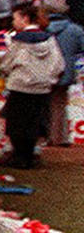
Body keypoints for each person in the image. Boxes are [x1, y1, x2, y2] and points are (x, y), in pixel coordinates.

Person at [0, 3, 65, 168]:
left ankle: (19, 156)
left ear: (25, 18)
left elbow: (6, 63)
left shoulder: (17, 41)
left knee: (17, 124)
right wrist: (49, 79)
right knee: (35, 123)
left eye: (15, 18)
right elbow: (59, 64)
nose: (14, 22)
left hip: (20, 86)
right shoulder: (49, 39)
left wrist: (1, 67)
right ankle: (29, 155)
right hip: (42, 88)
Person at [48, 9, 83, 147]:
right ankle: (61, 137)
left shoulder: (43, 29)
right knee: (60, 105)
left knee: (46, 105)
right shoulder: (75, 29)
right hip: (67, 71)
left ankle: (47, 136)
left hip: (45, 71)